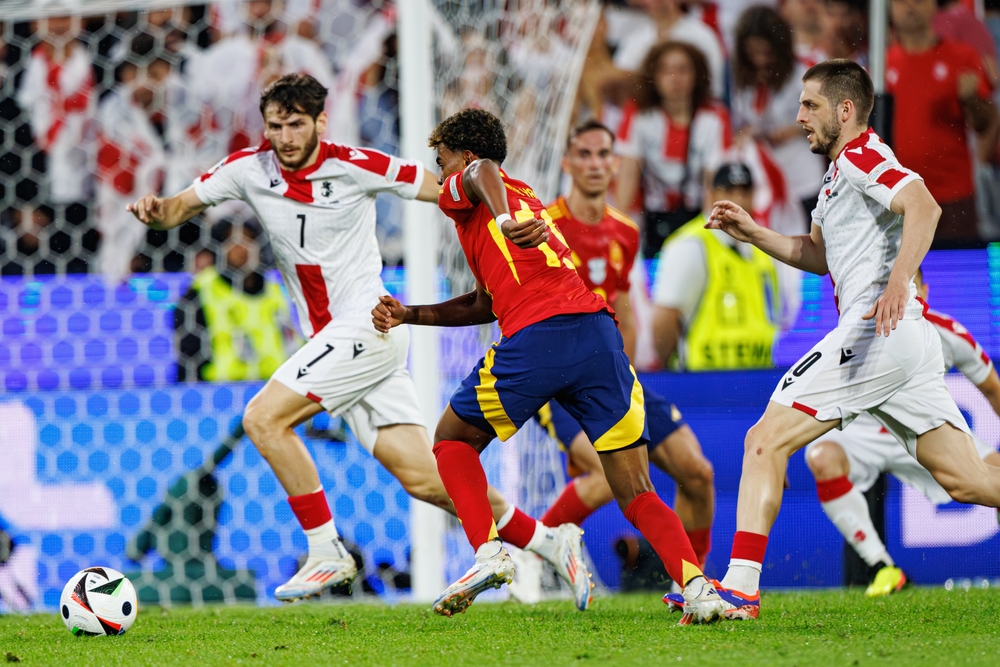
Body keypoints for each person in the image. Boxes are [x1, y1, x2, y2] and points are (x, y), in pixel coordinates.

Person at [126, 73, 583, 603]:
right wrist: (156, 213)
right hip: (337, 341)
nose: (286, 137)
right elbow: (177, 208)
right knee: (425, 480)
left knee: (262, 419)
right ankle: (551, 541)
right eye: (276, 126)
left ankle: (325, 551)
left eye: (296, 124)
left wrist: (515, 217)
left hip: (367, 325)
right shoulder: (248, 170)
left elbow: (448, 188)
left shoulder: (355, 165)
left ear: (321, 121)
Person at [371, 108, 726, 624]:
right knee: (636, 489)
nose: (441, 173)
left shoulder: (477, 188)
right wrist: (409, 314)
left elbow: (477, 173)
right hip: (598, 337)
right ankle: (698, 589)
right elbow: (484, 304)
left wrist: (499, 215)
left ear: (464, 155)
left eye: (442, 161)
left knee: (451, 441)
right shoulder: (526, 199)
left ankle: (491, 554)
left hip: (540, 335)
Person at [707, 59, 1000, 620]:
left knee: (764, 440)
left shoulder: (864, 154)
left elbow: (924, 205)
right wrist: (754, 232)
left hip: (875, 331)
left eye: (809, 105)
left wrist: (895, 285)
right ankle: (739, 588)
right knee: (966, 480)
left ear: (845, 110)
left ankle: (740, 587)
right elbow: (817, 255)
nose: (798, 118)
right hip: (904, 342)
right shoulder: (838, 175)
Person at [503, 121, 716, 606]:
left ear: (615, 163)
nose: (597, 163)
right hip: (554, 379)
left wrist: (630, 369)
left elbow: (621, 306)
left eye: (605, 154)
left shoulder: (625, 230)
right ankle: (534, 555)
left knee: (697, 474)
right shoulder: (541, 223)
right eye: (586, 154)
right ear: (568, 163)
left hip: (612, 373)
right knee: (602, 473)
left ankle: (687, 586)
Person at [805, 267, 1000, 597]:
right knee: (822, 456)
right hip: (864, 434)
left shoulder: (947, 333)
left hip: (923, 431)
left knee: (994, 469)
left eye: (912, 288)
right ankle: (883, 567)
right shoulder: (855, 331)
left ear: (924, 290)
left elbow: (993, 390)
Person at [887, 0, 999, 245]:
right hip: (900, 197)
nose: (910, 6)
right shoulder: (882, 63)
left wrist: (971, 100)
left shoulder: (961, 56)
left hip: (953, 195)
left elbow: (987, 121)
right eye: (900, 1)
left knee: (957, 275)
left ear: (933, 6)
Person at [652, 163, 780, 370]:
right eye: (729, 191)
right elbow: (664, 320)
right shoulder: (691, 245)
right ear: (712, 195)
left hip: (758, 374)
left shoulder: (763, 248)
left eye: (744, 191)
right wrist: (675, 372)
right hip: (703, 379)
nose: (738, 200)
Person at [616, 41, 731, 255]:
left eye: (682, 70)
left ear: (697, 75)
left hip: (697, 215)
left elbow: (712, 185)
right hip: (652, 216)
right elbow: (627, 177)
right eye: (665, 70)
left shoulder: (714, 118)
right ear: (654, 77)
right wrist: (618, 232)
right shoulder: (639, 115)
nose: (674, 78)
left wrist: (708, 237)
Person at [731, 6, 826, 219]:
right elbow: (740, 120)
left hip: (801, 174)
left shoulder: (803, 72)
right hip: (764, 177)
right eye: (753, 53)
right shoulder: (743, 78)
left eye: (766, 53)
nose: (761, 59)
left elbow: (828, 118)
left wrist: (795, 130)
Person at [174, 222, 298, 382]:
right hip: (223, 390)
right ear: (219, 246)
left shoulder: (275, 289)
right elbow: (189, 352)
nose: (242, 249)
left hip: (276, 384)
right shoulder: (201, 290)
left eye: (250, 240)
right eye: (233, 241)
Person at [609, 0, 727, 100]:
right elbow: (620, 84)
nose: (658, 2)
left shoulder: (703, 36)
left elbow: (715, 89)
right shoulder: (634, 41)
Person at [780, 0, 829, 67]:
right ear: (785, 8)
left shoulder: (840, 50)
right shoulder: (781, 55)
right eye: (803, 1)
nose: (811, 4)